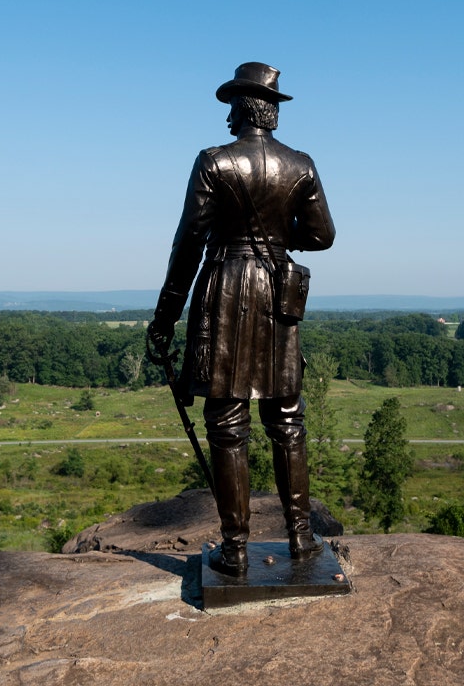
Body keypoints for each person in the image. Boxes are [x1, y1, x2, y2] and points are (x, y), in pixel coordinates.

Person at [146, 62, 336, 577]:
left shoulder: (214, 161)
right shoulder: (301, 165)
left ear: (243, 108)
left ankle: (234, 549)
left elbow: (188, 242)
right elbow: (322, 235)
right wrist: (276, 237)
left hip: (226, 285)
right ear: (271, 111)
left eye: (232, 104)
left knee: (228, 424)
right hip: (276, 289)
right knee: (286, 418)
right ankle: (301, 538)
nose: (229, 116)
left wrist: (165, 315)